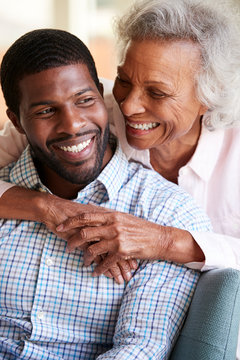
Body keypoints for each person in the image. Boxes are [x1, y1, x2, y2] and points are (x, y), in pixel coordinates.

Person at [0, 29, 211, 359]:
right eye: (45, 111)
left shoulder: (166, 212)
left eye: (84, 101)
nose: (72, 125)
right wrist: (46, 207)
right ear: (17, 121)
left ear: (102, 95)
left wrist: (168, 242)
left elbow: (139, 350)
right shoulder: (7, 188)